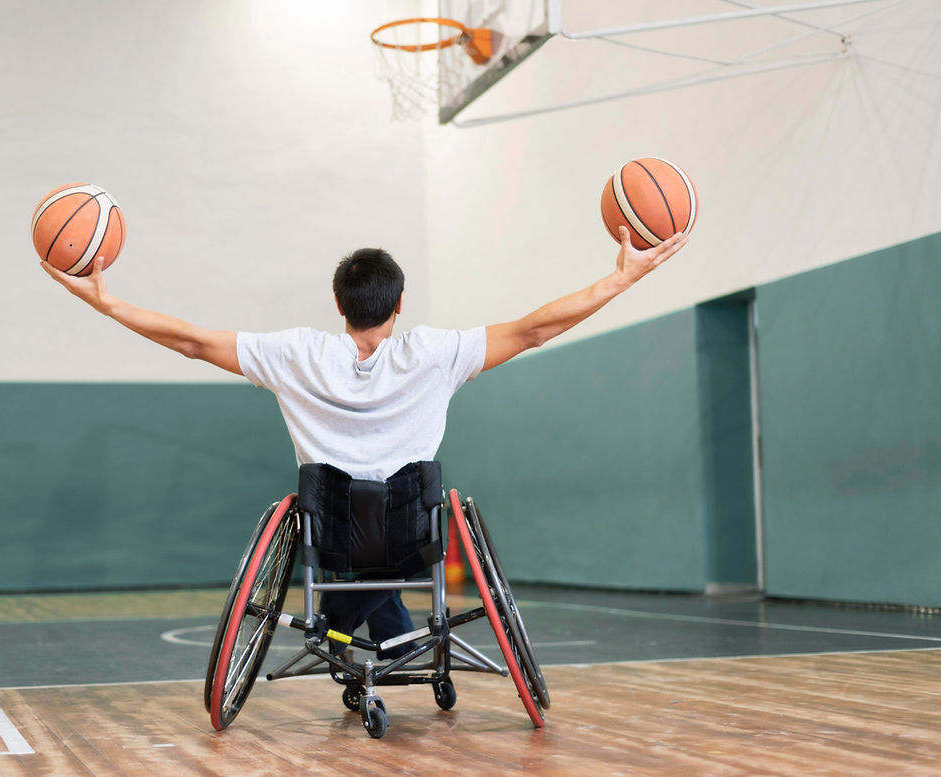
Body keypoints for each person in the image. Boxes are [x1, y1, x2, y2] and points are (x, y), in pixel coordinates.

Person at [41, 226, 689, 658]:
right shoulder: (434, 352)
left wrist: (107, 302)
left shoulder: (295, 353)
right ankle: (393, 646)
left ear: (338, 301)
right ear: (399, 302)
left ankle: (361, 635)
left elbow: (191, 340)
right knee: (401, 541)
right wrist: (624, 277)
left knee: (354, 567)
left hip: (333, 539)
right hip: (413, 535)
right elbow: (534, 330)